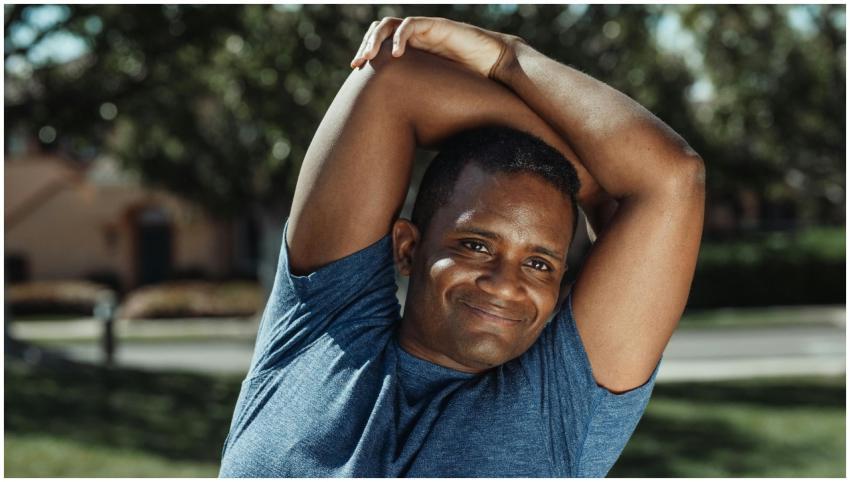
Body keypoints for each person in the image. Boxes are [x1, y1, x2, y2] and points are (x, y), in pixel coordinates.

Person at [219, 16, 705, 477]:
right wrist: (591, 181)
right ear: (408, 248)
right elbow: (392, 81)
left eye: (540, 264)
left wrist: (509, 58)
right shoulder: (322, 324)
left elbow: (672, 178)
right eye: (476, 245)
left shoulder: (561, 399)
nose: (505, 284)